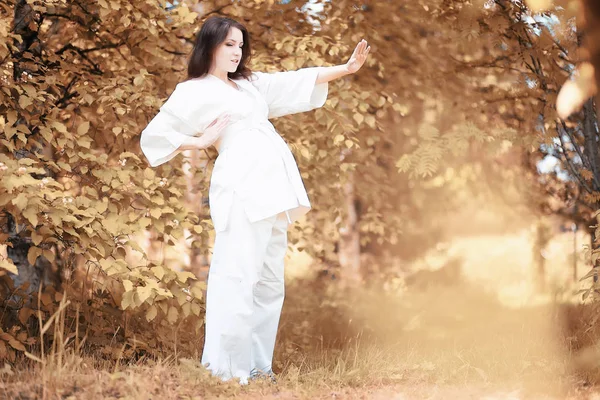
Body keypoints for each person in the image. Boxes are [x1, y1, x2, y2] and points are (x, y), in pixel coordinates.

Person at [140, 16, 370, 385]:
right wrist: (199, 142)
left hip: (274, 192)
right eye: (229, 44)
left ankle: (259, 368)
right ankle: (227, 372)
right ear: (210, 46)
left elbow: (294, 79)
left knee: (267, 283)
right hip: (241, 189)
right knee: (237, 278)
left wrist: (345, 68)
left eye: (241, 45)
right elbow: (154, 136)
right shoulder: (193, 90)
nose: (237, 52)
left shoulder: (248, 85)